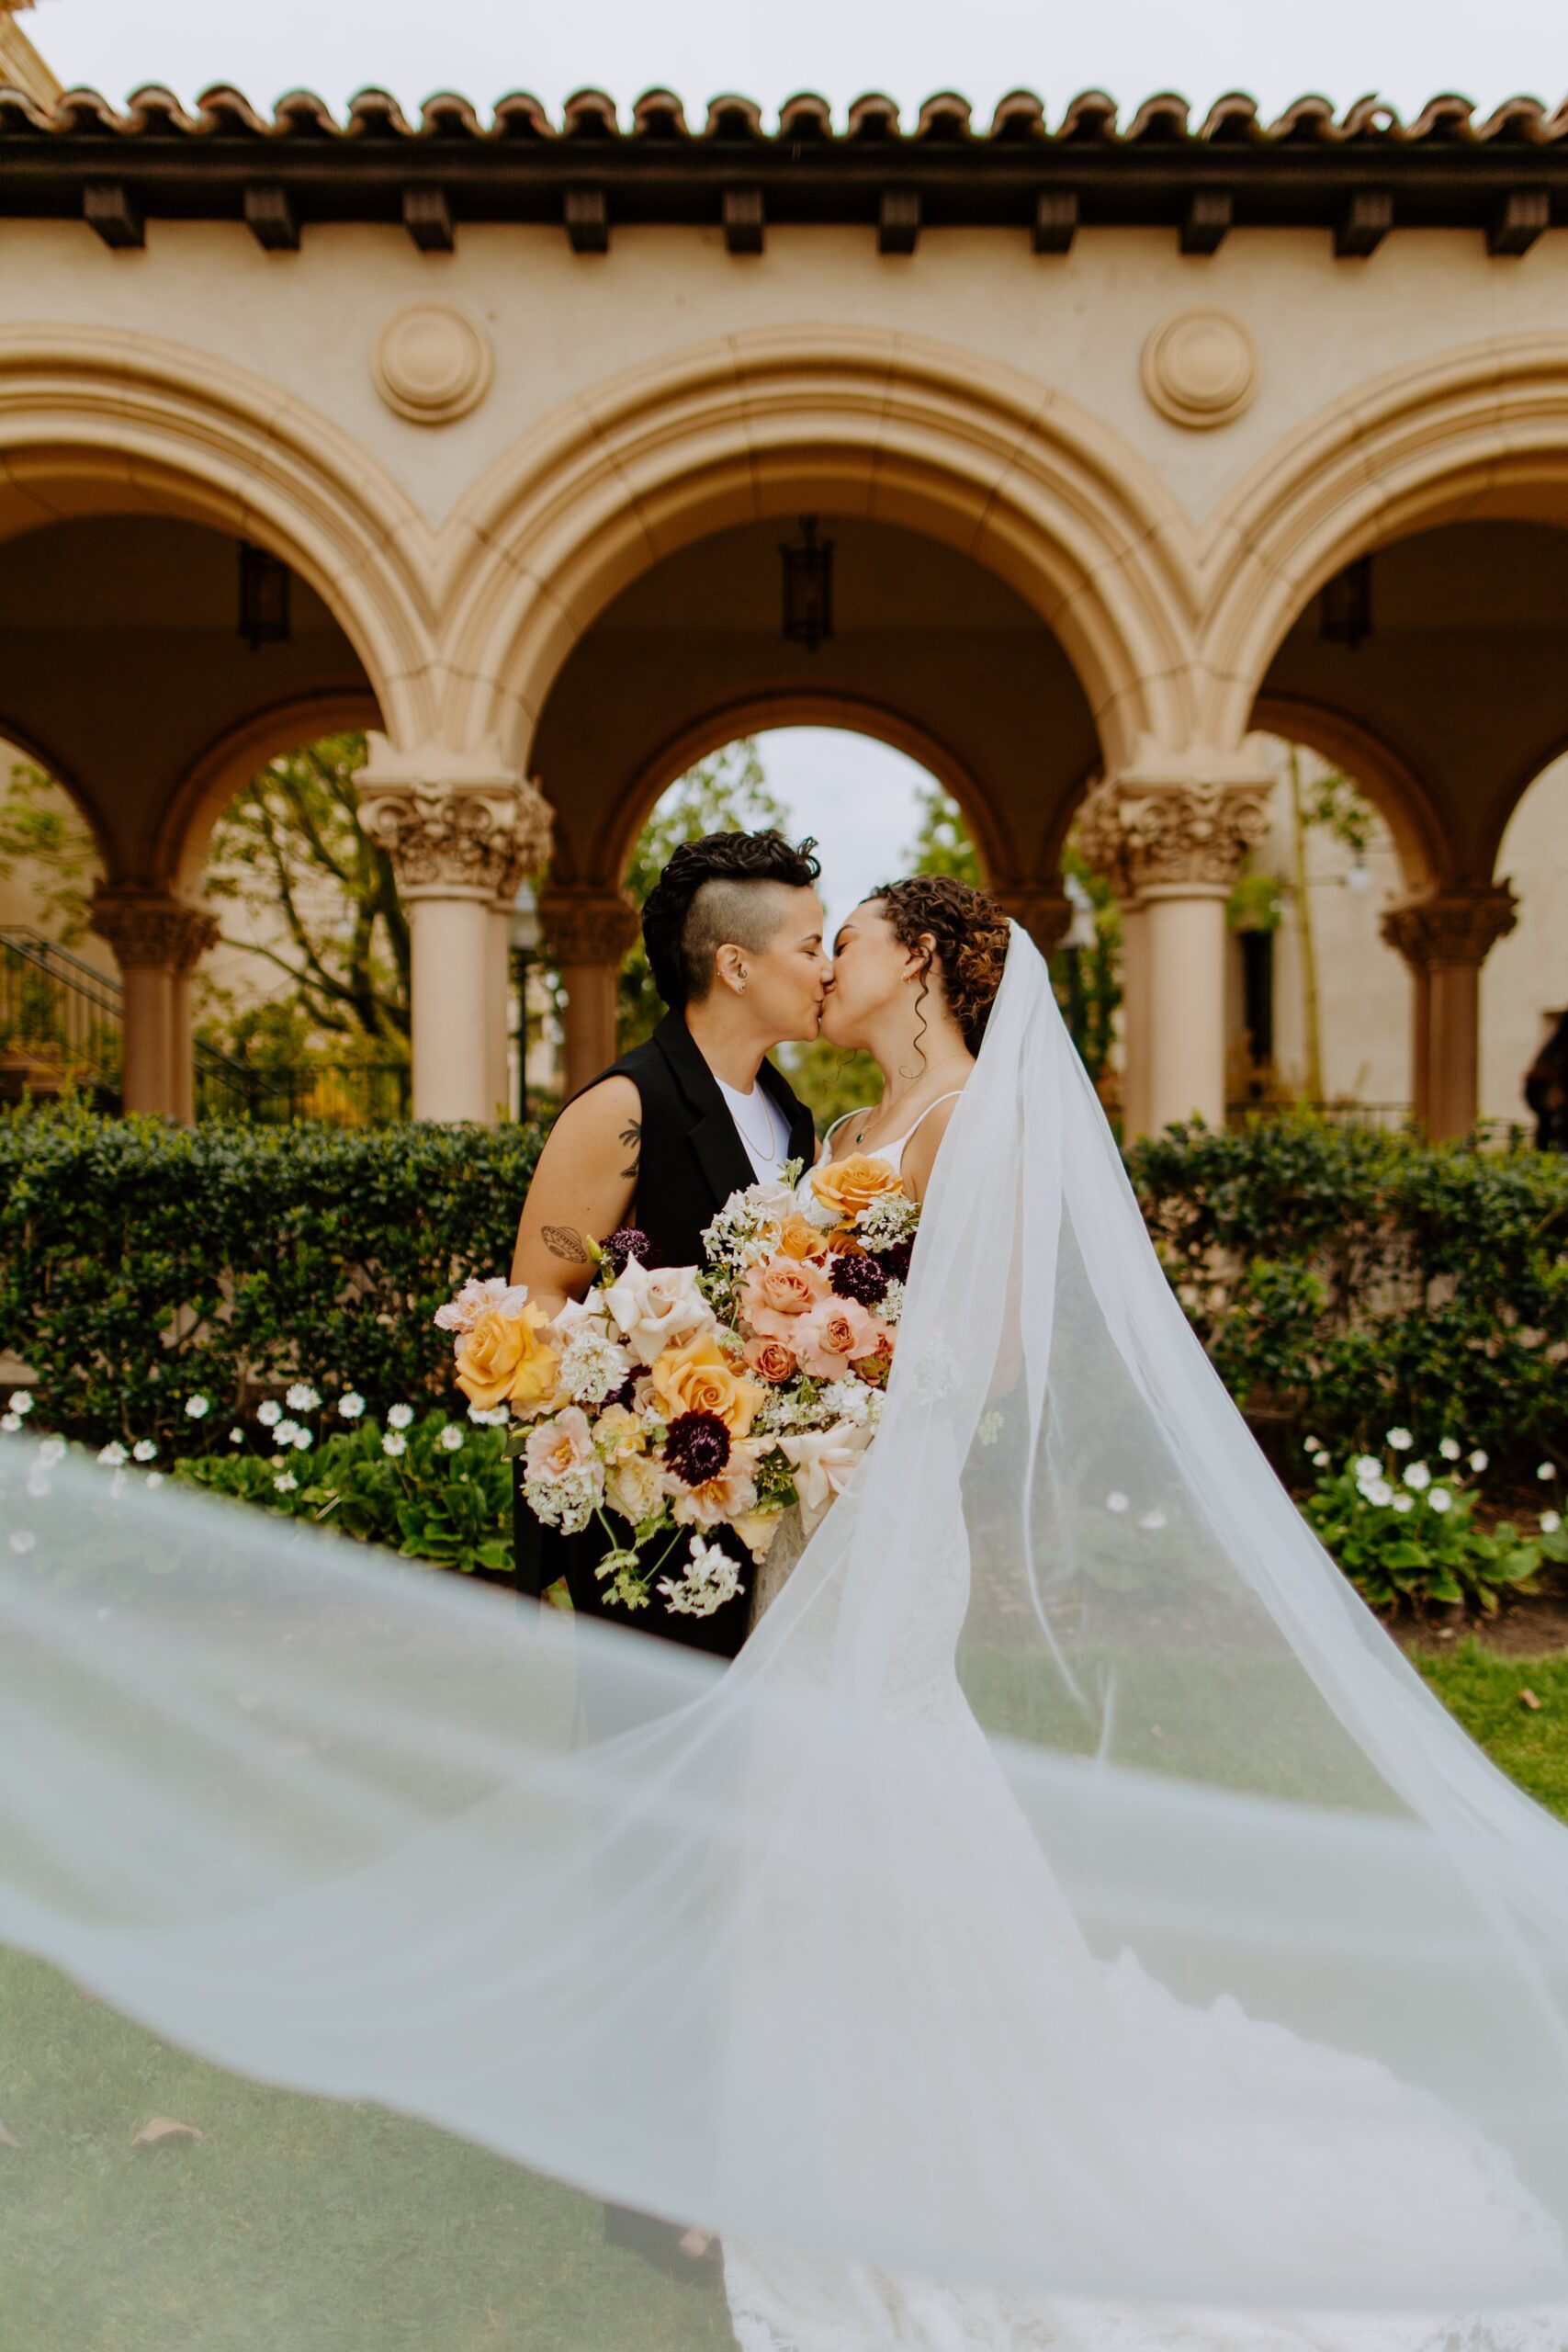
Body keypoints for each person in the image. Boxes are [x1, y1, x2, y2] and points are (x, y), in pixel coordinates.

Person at [5, 882, 1568, 2352]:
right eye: (822, 937)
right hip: (799, 1507)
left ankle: (917, 2120)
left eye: (859, 939)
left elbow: (996, 1355)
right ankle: (793, 2105)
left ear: (930, 969)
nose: (835, 962)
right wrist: (735, 1381)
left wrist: (829, 1380)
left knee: (869, 1773)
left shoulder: (973, 1119)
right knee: (794, 1798)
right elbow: (758, 1292)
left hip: (878, 1503)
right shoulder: (847, 1120)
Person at [508, 829, 828, 1660]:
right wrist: (650, 1417)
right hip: (646, 1514)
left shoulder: (790, 1115)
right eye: (810, 945)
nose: (826, 967)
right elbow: (536, 1299)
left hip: (758, 1507)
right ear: (735, 965)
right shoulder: (626, 1105)